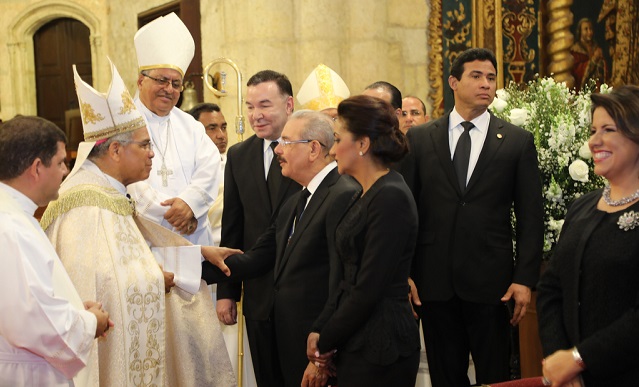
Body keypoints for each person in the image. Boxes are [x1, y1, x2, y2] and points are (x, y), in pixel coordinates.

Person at [41, 60, 237, 386]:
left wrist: (199, 254)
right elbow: (93, 285)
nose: (152, 155)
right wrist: (153, 277)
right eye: (145, 145)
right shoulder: (86, 205)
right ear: (115, 150)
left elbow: (133, 259)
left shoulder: (110, 196)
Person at [399, 47, 544, 386]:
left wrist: (524, 279)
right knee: (445, 376)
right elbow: (406, 212)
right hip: (433, 283)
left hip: (492, 283)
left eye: (491, 78)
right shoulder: (420, 138)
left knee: (494, 376)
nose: (486, 84)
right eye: (476, 76)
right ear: (454, 81)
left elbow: (530, 216)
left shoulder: (516, 142)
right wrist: (403, 273)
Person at [202, 109, 359, 387]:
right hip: (286, 338)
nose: (278, 150)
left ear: (313, 149)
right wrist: (190, 268)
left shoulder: (343, 194)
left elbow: (343, 281)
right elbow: (257, 258)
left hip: (318, 344)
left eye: (287, 142)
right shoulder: (297, 199)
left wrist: (323, 351)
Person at [306, 95, 421, 386]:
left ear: (362, 144)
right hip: (358, 338)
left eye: (337, 139)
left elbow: (369, 287)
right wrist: (320, 328)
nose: (331, 151)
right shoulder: (367, 192)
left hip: (382, 344)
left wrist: (325, 340)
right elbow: (347, 275)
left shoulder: (391, 196)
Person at [537, 85, 639, 387]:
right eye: (593, 130)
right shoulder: (582, 206)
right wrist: (561, 359)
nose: (595, 141)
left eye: (608, 129)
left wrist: (579, 358)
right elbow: (551, 288)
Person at [0, 115, 110, 386]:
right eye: (61, 162)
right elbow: (33, 320)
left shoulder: (16, 215)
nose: (65, 171)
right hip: (26, 375)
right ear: (37, 168)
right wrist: (90, 322)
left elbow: (26, 298)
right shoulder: (10, 227)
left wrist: (73, 309)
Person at [216, 69, 301, 386]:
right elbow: (232, 227)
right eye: (250, 106)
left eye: (265, 105)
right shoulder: (239, 155)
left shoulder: (309, 151)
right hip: (258, 293)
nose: (256, 115)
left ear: (289, 105)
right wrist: (226, 293)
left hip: (303, 293)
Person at [127, 12, 220, 246]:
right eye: (161, 80)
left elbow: (210, 167)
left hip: (193, 233)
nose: (169, 89)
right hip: (146, 238)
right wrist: (174, 215)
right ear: (140, 81)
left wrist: (190, 204)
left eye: (175, 83)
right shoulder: (123, 124)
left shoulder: (190, 126)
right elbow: (125, 178)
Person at [188, 102, 228, 247]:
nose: (221, 135)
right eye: (212, 128)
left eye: (224, 127)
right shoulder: (188, 171)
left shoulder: (234, 166)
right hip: (198, 246)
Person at [570, 18, 608, 91]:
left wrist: (601, 61)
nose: (589, 32)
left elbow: (604, 70)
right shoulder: (575, 51)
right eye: (586, 29)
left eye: (591, 29)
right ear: (580, 32)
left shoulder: (596, 48)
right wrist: (594, 60)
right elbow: (577, 73)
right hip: (582, 89)